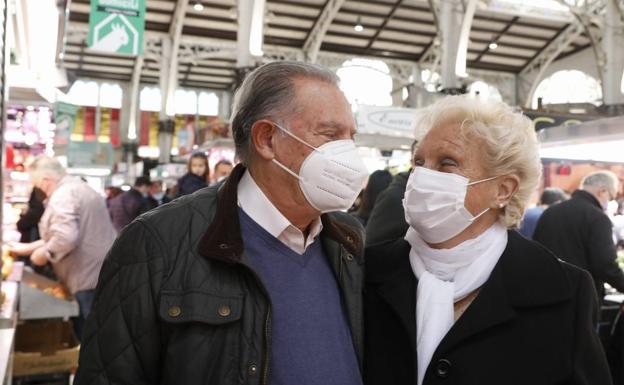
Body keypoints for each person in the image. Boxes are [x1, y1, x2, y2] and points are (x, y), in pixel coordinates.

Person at [75, 61, 368, 385]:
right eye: (330, 134)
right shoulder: (157, 244)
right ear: (267, 138)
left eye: (350, 137)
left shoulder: (347, 240)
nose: (348, 152)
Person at [364, 96, 611, 385]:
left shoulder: (564, 290)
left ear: (503, 190)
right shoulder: (368, 273)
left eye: (446, 163)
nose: (422, 176)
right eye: (418, 161)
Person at [9, 156, 117, 340]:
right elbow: (58, 234)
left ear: (46, 179)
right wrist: (26, 249)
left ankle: (88, 368)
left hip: (87, 278)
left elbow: (65, 238)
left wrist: (42, 255)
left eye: (36, 183)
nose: (38, 189)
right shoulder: (76, 189)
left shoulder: (63, 195)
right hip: (97, 272)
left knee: (89, 336)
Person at [534, 171, 624, 301]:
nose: (609, 202)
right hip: (581, 298)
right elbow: (605, 264)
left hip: (545, 292)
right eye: (610, 197)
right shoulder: (597, 217)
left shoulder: (550, 212)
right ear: (602, 191)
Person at [365, 139, 418, 246]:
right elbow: (371, 250)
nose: (430, 167)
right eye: (420, 161)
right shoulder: (395, 197)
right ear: (412, 162)